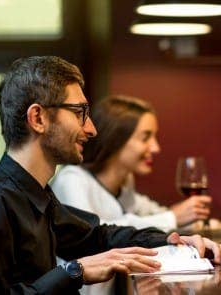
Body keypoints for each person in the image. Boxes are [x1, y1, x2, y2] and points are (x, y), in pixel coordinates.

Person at [0, 56, 221, 294]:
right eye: (79, 112)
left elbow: (98, 236)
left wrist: (174, 242)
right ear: (38, 118)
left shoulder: (35, 193)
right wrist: (75, 272)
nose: (91, 129)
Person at [50, 95, 212, 295]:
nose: (156, 147)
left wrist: (186, 226)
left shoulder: (125, 180)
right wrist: (173, 217)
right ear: (115, 139)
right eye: (145, 137)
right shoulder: (71, 180)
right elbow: (100, 234)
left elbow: (144, 211)